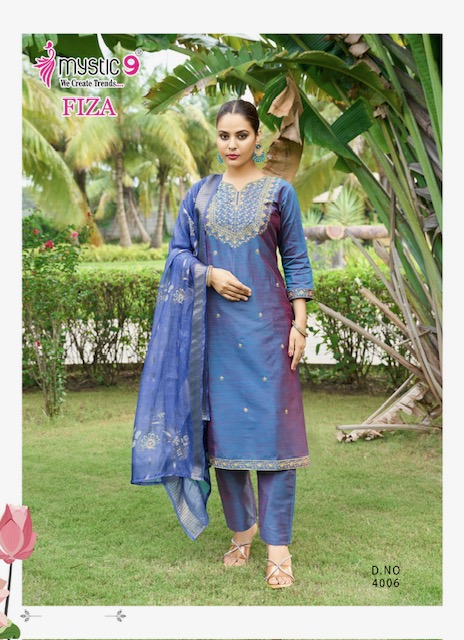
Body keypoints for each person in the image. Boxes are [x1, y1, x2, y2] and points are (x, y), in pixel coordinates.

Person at [131, 99, 314, 589]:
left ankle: (279, 548)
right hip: (215, 334)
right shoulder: (200, 195)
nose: (231, 145)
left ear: (258, 137)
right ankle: (242, 531)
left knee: (275, 438)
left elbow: (296, 260)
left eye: (241, 135)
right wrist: (208, 274)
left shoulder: (280, 193)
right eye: (223, 135)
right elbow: (177, 255)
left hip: (270, 331)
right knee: (225, 440)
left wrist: (299, 326)